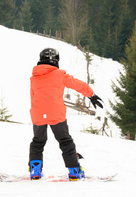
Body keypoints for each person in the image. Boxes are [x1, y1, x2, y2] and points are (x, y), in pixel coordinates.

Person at [28, 48, 103, 181]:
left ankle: (35, 171)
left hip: (38, 114)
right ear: (56, 60)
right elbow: (78, 85)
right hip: (56, 114)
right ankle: (74, 170)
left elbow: (33, 97)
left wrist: (37, 113)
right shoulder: (59, 75)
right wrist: (91, 95)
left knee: (38, 142)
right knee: (65, 141)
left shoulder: (34, 78)